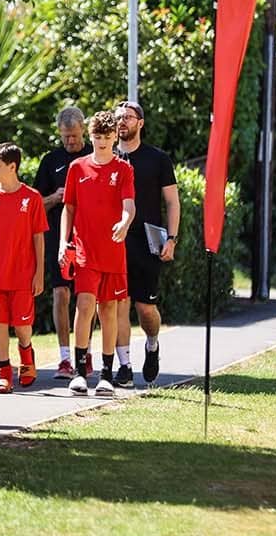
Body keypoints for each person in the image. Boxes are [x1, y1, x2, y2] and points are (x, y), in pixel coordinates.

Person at [59, 110, 135, 396]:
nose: (102, 142)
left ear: (115, 137)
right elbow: (69, 208)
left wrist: (124, 222)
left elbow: (129, 206)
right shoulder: (77, 167)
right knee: (84, 305)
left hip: (113, 250)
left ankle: (106, 374)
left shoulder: (124, 169)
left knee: (108, 309)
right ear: (90, 136)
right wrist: (62, 243)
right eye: (97, 136)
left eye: (107, 136)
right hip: (84, 250)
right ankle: (79, 373)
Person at [0, 142, 48, 393]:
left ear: (12, 167)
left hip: (23, 275)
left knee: (22, 327)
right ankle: (4, 375)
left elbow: (38, 238)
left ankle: (27, 358)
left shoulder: (32, 198)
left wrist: (39, 273)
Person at [113, 99, 180, 388]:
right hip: (115, 241)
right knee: (119, 304)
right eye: (119, 117)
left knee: (145, 309)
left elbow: (172, 202)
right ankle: (124, 366)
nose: (122, 121)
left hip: (147, 242)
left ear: (140, 123)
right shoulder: (107, 156)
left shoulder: (158, 159)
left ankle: (152, 344)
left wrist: (172, 239)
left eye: (128, 117)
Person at [33, 106, 92, 379]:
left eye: (75, 136)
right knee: (61, 293)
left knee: (87, 296)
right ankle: (65, 357)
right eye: (66, 136)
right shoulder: (50, 161)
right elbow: (35, 204)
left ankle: (85, 353)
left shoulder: (94, 155)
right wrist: (55, 197)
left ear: (83, 130)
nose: (70, 141)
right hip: (58, 237)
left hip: (89, 237)